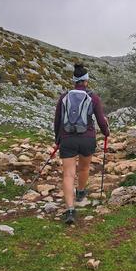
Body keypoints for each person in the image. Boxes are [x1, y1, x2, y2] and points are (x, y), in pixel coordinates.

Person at [54, 63, 109, 224]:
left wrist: (58, 139)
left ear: (74, 81)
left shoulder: (64, 97)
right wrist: (106, 133)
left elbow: (57, 121)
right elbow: (100, 120)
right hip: (87, 139)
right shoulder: (94, 97)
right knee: (84, 168)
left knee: (68, 174)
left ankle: (70, 210)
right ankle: (81, 192)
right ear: (86, 80)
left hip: (67, 139)